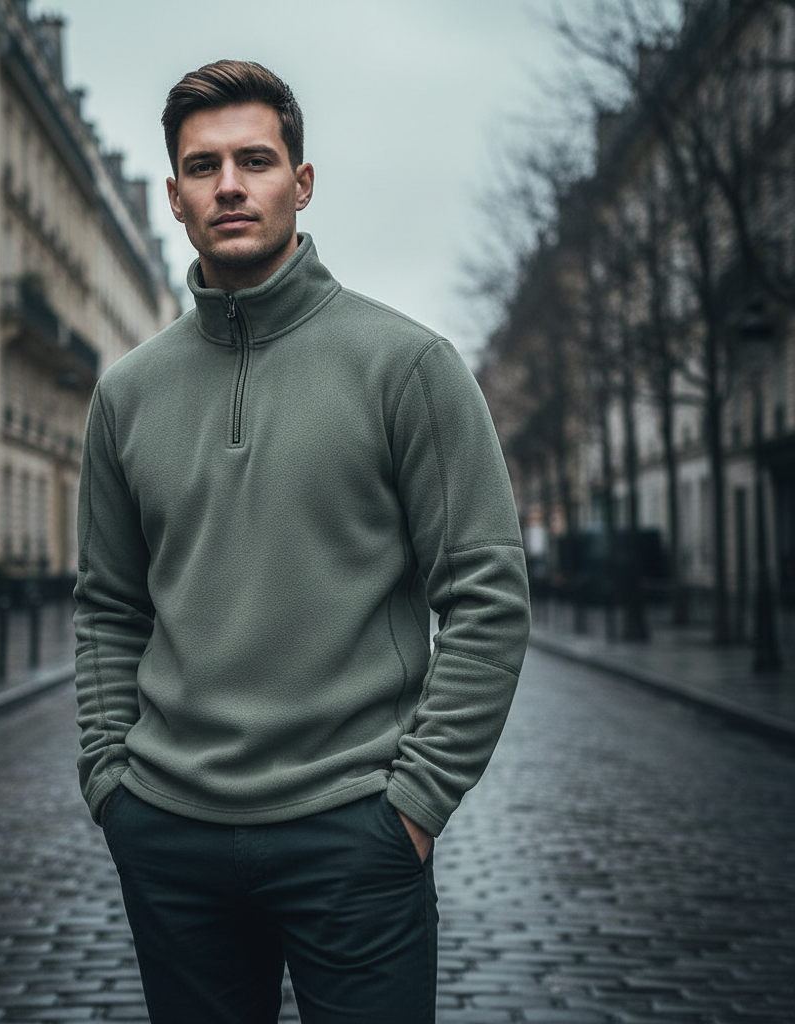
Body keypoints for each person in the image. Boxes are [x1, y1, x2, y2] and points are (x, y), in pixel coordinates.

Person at [74, 59, 530, 1024]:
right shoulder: (126, 394)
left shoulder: (408, 365)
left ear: (302, 182)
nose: (229, 186)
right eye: (203, 167)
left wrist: (414, 805)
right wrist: (113, 784)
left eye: (255, 160)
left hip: (353, 834)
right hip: (169, 837)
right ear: (175, 197)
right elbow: (109, 605)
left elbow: (487, 596)